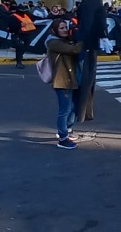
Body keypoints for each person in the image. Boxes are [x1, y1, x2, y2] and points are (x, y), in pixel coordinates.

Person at [75, 0, 108, 123]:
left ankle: (87, 112)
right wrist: (102, 35)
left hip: (87, 42)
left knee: (88, 80)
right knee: (87, 79)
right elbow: (92, 21)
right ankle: (82, 113)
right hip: (89, 44)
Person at [46, 19, 84, 150]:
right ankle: (62, 138)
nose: (64, 30)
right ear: (55, 30)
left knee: (75, 106)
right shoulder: (53, 42)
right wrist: (84, 39)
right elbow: (74, 50)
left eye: (65, 27)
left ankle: (67, 129)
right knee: (65, 109)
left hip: (71, 79)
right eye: (61, 28)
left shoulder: (64, 40)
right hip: (62, 80)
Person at [10, 4, 36, 69]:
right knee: (19, 48)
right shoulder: (13, 16)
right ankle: (19, 62)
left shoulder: (26, 15)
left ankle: (20, 59)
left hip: (27, 34)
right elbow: (11, 26)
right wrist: (19, 25)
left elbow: (35, 19)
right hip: (18, 35)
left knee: (24, 48)